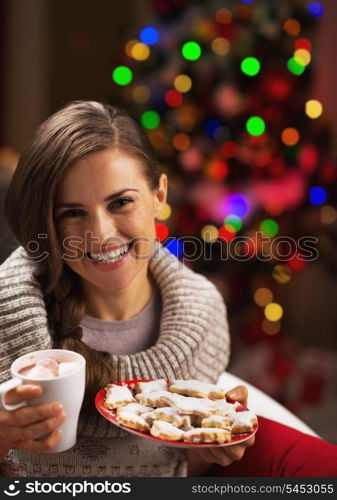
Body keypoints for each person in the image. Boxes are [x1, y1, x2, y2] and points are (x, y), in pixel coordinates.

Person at [0, 100, 336, 478]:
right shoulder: (5, 315)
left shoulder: (202, 319)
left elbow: (171, 470)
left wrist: (212, 446)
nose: (101, 234)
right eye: (72, 213)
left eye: (121, 202)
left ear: (159, 195)